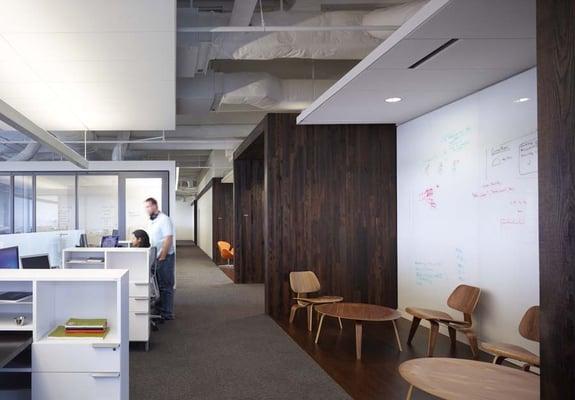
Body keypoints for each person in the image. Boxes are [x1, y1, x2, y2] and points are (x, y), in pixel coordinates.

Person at [145, 197, 175, 320]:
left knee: (166, 285)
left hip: (165, 257)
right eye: (146, 207)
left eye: (148, 206)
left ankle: (167, 313)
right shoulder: (153, 220)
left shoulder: (164, 219)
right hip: (156, 258)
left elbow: (168, 238)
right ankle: (160, 310)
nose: (146, 209)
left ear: (155, 206)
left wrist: (162, 257)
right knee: (158, 285)